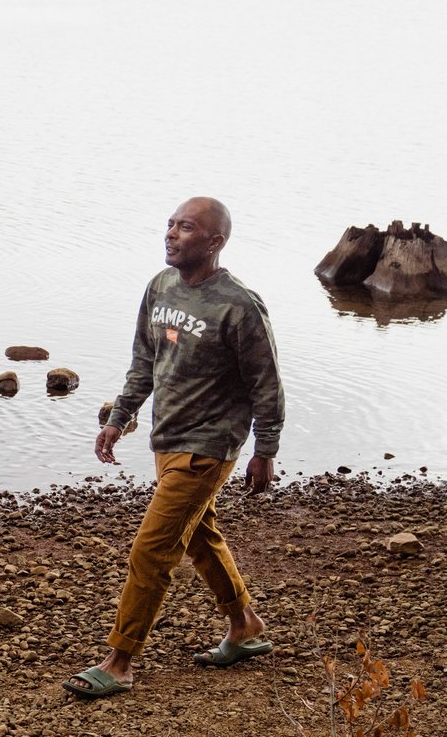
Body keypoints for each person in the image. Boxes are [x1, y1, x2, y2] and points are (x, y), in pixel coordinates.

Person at [63, 196, 285, 699]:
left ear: (214, 241)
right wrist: (119, 418)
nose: (171, 234)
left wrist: (264, 449)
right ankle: (245, 625)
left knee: (153, 549)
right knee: (199, 535)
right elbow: (144, 361)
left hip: (211, 445)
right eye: (170, 225)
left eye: (185, 228)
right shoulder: (159, 287)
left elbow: (266, 383)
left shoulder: (239, 305)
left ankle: (119, 661)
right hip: (168, 437)